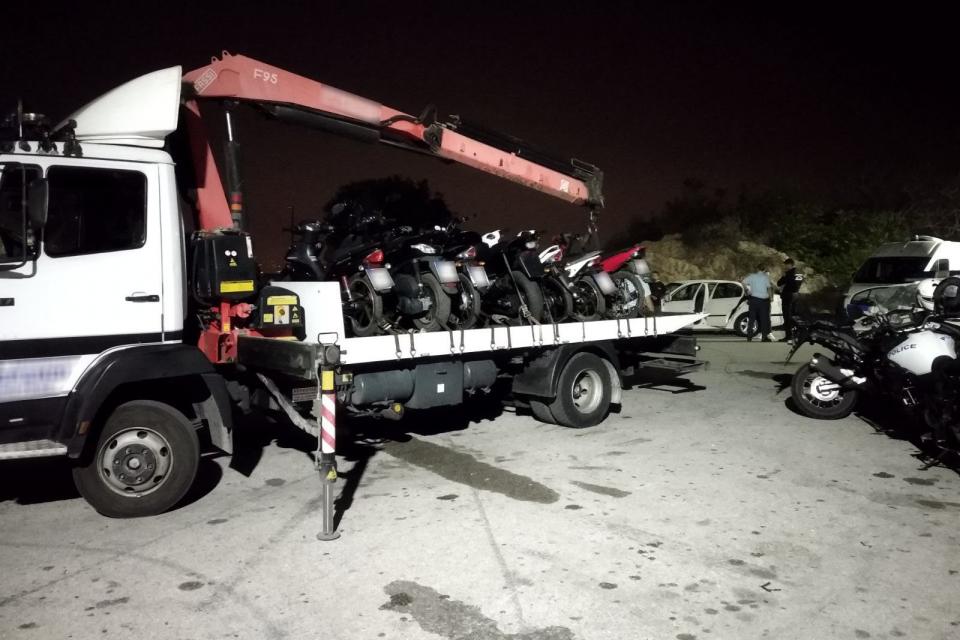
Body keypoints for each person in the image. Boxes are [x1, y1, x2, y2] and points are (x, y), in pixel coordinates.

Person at [742, 264, 773, 342]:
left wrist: (747, 290)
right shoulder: (765, 277)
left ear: (757, 269)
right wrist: (771, 298)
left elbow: (743, 282)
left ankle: (749, 337)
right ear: (764, 270)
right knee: (764, 319)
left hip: (753, 300)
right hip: (763, 301)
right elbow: (769, 288)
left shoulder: (752, 276)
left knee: (752, 318)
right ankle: (764, 337)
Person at [777, 258, 803, 342]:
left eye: (786, 265)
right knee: (794, 316)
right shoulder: (799, 273)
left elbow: (779, 283)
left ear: (790, 264)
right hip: (796, 295)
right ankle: (796, 334)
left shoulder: (788, 273)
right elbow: (798, 284)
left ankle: (788, 336)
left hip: (788, 296)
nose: (785, 266)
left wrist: (784, 276)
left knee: (787, 316)